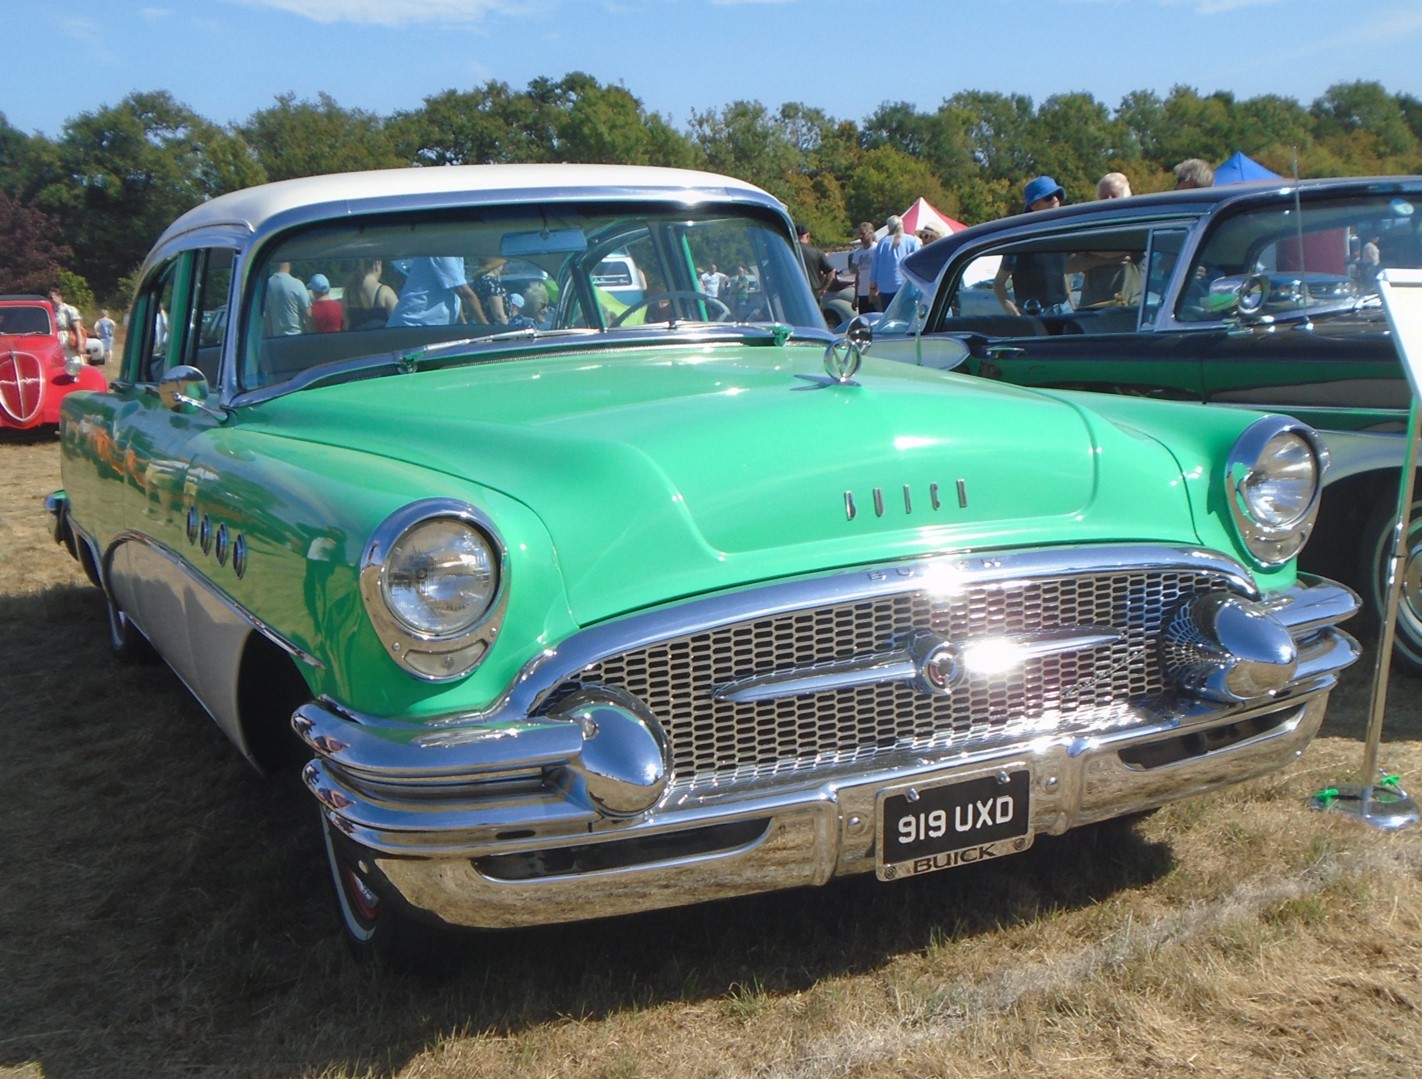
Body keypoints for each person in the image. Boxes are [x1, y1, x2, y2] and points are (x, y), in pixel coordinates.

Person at [993, 177, 1072, 316]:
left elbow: (1062, 274)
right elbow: (999, 284)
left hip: (1064, 309)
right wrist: (1016, 315)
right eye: (1048, 197)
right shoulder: (1021, 238)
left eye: (1058, 195)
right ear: (1033, 205)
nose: (1055, 199)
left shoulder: (1062, 234)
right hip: (1034, 312)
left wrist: (1072, 306)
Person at [1072, 173, 1139, 307]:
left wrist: (1089, 254)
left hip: (1128, 310)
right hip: (1091, 310)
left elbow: (1119, 248)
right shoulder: (1088, 228)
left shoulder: (1136, 222)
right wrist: (1107, 259)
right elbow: (1069, 265)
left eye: (1114, 196)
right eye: (1103, 197)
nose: (1108, 200)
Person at [387, 256, 481, 327]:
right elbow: (465, 294)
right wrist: (487, 329)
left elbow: (454, 292)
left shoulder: (455, 254)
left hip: (431, 327)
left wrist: (462, 322)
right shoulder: (441, 251)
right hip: (413, 324)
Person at [868, 215, 921, 311]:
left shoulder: (882, 243)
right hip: (906, 288)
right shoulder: (911, 240)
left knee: (890, 318)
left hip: (885, 288)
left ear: (889, 227)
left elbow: (875, 266)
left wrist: (872, 287)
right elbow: (918, 263)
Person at [343, 259, 399, 330]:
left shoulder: (348, 291)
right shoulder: (384, 291)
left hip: (356, 339)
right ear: (377, 264)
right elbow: (398, 321)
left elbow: (346, 324)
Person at [264, 262, 311, 335]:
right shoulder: (297, 284)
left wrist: (271, 337)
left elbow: (267, 316)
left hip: (277, 338)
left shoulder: (267, 285)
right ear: (289, 263)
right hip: (296, 335)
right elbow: (308, 314)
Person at [49, 288, 89, 363]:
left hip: (66, 336)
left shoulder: (69, 309)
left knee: (72, 360)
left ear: (59, 297)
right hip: (55, 336)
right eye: (49, 298)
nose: (51, 300)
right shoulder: (51, 310)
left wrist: (80, 344)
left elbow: (77, 328)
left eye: (52, 297)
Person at [797, 224, 834, 299]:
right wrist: (823, 289)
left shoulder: (789, 252)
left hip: (796, 293)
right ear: (808, 236)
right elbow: (831, 272)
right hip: (814, 294)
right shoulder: (817, 252)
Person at [850, 221, 876, 312]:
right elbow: (857, 275)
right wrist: (855, 297)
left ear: (870, 233)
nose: (861, 237)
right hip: (862, 294)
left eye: (863, 234)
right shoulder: (858, 253)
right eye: (859, 234)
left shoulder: (877, 249)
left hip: (874, 293)